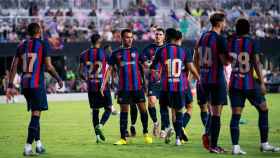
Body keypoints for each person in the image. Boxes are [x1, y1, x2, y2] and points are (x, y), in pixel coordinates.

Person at [6, 23, 63, 156]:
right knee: (36, 115)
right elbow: (48, 66)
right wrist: (59, 79)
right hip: (37, 84)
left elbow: (14, 66)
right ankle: (27, 147)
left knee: (35, 114)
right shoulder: (43, 44)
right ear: (39, 31)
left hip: (25, 84)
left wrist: (10, 86)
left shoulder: (21, 45)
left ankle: (38, 145)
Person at [228, 18, 280, 155]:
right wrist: (262, 83)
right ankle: (264, 144)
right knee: (264, 109)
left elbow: (226, 60)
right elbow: (256, 62)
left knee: (236, 115)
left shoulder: (231, 42)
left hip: (234, 83)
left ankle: (235, 146)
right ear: (248, 29)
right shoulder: (251, 42)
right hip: (250, 83)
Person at [101, 29, 152, 145]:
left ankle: (146, 133)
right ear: (122, 38)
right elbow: (109, 69)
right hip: (124, 88)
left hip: (137, 87)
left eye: (131, 37)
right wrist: (103, 84)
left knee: (143, 110)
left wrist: (154, 68)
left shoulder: (137, 51)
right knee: (124, 112)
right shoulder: (116, 53)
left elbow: (145, 66)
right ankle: (123, 138)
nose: (130, 39)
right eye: (127, 37)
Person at [151, 28, 199, 146]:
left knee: (163, 107)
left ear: (167, 37)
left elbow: (153, 68)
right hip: (180, 86)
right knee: (179, 112)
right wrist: (199, 78)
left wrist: (157, 75)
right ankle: (178, 138)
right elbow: (191, 68)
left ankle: (167, 126)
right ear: (178, 38)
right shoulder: (184, 51)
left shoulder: (161, 51)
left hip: (166, 86)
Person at [194, 12, 229, 153]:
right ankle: (213, 145)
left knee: (212, 111)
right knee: (216, 114)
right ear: (220, 23)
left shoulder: (202, 37)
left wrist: (198, 74)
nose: (225, 24)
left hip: (204, 79)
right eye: (224, 22)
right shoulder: (220, 39)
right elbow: (225, 62)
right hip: (216, 79)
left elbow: (196, 56)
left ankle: (208, 135)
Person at [79, 34, 112, 144]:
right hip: (103, 85)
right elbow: (109, 69)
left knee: (95, 111)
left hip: (91, 86)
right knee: (108, 108)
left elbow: (80, 72)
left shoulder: (83, 54)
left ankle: (97, 137)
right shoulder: (104, 53)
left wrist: (87, 79)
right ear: (99, 41)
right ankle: (101, 125)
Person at [140, 28, 165, 137]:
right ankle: (156, 123)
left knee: (164, 106)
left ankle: (164, 129)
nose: (158, 36)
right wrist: (148, 64)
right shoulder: (148, 49)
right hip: (153, 81)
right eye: (156, 34)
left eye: (160, 34)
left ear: (164, 36)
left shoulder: (167, 48)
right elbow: (143, 61)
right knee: (151, 102)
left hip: (165, 80)